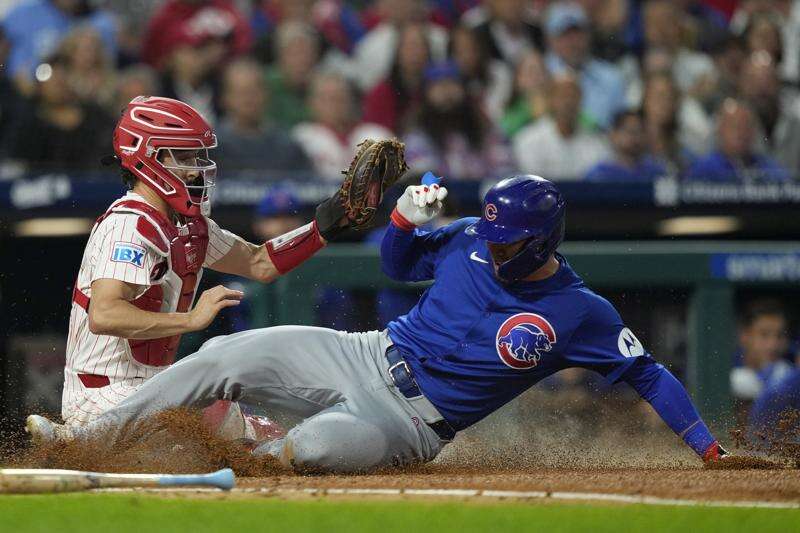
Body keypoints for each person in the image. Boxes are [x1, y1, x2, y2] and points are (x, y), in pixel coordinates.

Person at [35, 175, 731, 474]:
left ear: (543, 240)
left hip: (413, 425)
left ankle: (252, 454)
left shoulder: (581, 311)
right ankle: (87, 440)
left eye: (509, 242)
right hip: (364, 353)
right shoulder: (469, 234)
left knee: (314, 450)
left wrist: (707, 449)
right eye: (491, 235)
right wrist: (401, 220)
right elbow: (398, 266)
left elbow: (648, 373)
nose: (493, 247)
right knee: (224, 354)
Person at [24, 95, 381, 445]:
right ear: (149, 157)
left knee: (268, 441)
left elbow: (260, 263)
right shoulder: (129, 225)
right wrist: (191, 319)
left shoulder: (189, 226)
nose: (196, 169)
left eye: (197, 156)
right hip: (104, 394)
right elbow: (104, 314)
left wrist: (326, 226)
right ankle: (76, 440)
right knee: (192, 445)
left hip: (161, 386)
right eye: (183, 157)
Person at [403, 61, 513, 181]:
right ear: (426, 93)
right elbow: (422, 177)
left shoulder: (484, 128)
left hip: (485, 191)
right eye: (438, 85)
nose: (446, 92)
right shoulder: (417, 133)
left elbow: (504, 170)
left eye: (452, 84)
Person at [214, 58, 311, 176]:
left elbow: (307, 183)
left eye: (254, 91)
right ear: (225, 98)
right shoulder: (210, 148)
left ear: (266, 94)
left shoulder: (287, 146)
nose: (248, 99)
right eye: (241, 93)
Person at [293, 71, 392, 181]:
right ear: (311, 103)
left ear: (350, 100)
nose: (333, 104)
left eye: (339, 97)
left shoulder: (377, 134)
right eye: (324, 98)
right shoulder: (301, 137)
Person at [543, 2, 626, 130]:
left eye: (578, 33)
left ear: (588, 35)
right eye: (565, 35)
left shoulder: (611, 78)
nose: (572, 42)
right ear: (551, 40)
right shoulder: (541, 74)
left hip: (601, 141)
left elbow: (622, 126)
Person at [513, 73, 609, 181]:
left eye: (574, 96)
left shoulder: (596, 143)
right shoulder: (528, 139)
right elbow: (532, 182)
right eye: (563, 96)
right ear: (550, 100)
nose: (569, 102)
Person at [685, 99, 791, 182]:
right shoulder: (703, 170)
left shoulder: (769, 168)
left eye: (746, 126)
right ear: (719, 130)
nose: (741, 132)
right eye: (733, 126)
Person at [730, 298, 794, 423]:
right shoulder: (725, 372)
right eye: (764, 335)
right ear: (745, 335)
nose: (773, 345)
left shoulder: (790, 372)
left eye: (780, 335)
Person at [584, 109, 666, 182]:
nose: (636, 137)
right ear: (613, 135)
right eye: (630, 131)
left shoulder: (656, 173)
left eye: (640, 131)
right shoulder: (599, 175)